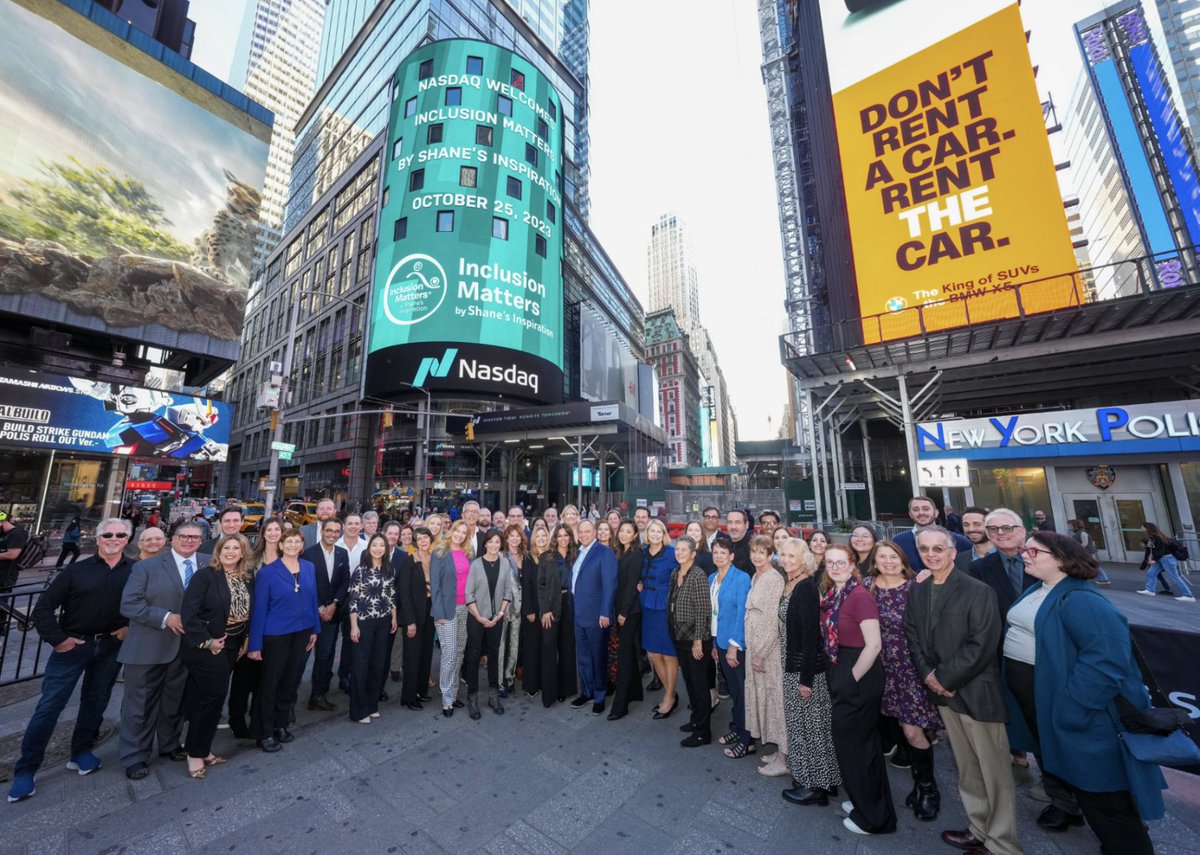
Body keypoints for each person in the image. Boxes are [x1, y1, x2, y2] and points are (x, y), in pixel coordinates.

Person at [1003, 532, 1164, 854]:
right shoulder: (1042, 588)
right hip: (1049, 708)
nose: (1025, 555)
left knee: (1104, 797)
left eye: (1034, 551)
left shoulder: (1082, 599)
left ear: (1061, 558)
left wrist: (1072, 710)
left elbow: (1105, 661)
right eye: (1025, 550)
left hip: (1083, 719)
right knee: (1087, 793)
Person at [903, 526, 1020, 855]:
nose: (931, 554)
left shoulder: (977, 590)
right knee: (967, 767)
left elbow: (981, 644)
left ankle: (1003, 844)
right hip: (941, 691)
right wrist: (929, 675)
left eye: (938, 548)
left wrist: (944, 677)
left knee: (993, 772)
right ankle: (978, 828)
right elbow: (913, 634)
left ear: (953, 552)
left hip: (974, 691)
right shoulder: (920, 589)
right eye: (925, 549)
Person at [7, 518, 133, 802]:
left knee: (97, 700)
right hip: (73, 647)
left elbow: (139, 604)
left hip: (110, 646)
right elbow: (42, 609)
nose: (114, 538)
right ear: (98, 539)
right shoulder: (75, 571)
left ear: (127, 539)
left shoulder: (134, 570)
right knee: (50, 706)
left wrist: (128, 626)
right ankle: (26, 770)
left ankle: (81, 752)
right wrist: (59, 640)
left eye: (120, 534)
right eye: (108, 534)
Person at [118, 521, 209, 780]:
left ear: (201, 541)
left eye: (195, 537)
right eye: (184, 537)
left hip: (184, 648)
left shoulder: (207, 562)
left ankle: (169, 743)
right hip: (149, 645)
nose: (189, 541)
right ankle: (134, 755)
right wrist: (166, 617)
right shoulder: (146, 567)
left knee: (174, 701)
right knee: (140, 705)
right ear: (173, 538)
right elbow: (130, 604)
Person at [820, 544, 895, 835]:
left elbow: (874, 645)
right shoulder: (837, 594)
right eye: (830, 563)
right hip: (843, 664)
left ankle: (874, 818)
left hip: (858, 671)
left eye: (841, 562)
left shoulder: (859, 596)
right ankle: (867, 801)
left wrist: (849, 679)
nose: (835, 567)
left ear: (853, 565)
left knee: (854, 746)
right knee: (861, 744)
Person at [866, 541, 943, 821]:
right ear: (874, 562)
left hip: (910, 669)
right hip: (879, 667)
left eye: (893, 557)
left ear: (902, 560)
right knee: (896, 728)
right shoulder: (867, 586)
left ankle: (928, 788)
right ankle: (917, 781)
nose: (888, 562)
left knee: (912, 731)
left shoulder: (917, 586)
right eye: (882, 557)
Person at [180, 533, 252, 779]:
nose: (231, 552)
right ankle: (194, 754)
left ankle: (201, 748)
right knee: (212, 697)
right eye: (226, 547)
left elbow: (246, 613)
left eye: (236, 548)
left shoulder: (245, 578)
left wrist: (246, 638)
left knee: (209, 698)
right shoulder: (205, 576)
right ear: (218, 551)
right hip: (207, 646)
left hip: (233, 645)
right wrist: (207, 641)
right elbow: (188, 614)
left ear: (243, 553)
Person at [247, 528, 320, 752]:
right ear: (281, 545)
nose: (292, 545)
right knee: (269, 684)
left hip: (302, 632)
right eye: (288, 542)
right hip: (275, 635)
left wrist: (314, 629)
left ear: (301, 545)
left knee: (289, 682)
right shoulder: (268, 573)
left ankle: (280, 724)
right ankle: (264, 731)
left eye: (297, 542)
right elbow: (259, 610)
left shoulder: (309, 567)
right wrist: (255, 644)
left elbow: (312, 599)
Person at [743, 535, 788, 777]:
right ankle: (779, 750)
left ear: (771, 555)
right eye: (754, 552)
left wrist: (760, 653)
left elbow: (773, 620)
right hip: (754, 645)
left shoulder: (773, 578)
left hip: (766, 650)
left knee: (775, 702)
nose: (757, 556)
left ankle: (784, 758)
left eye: (763, 552)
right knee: (766, 700)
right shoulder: (756, 576)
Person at [463, 529, 515, 718]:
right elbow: (468, 593)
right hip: (477, 617)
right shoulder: (476, 565)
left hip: (496, 618)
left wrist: (500, 613)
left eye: (497, 542)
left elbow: (508, 591)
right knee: (474, 656)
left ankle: (494, 695)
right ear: (485, 543)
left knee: (494, 655)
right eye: (491, 542)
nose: (494, 545)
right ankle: (472, 698)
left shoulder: (505, 563)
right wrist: (479, 617)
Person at [346, 534, 397, 724]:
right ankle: (359, 711)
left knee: (378, 665)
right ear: (369, 548)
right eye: (374, 545)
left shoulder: (389, 569)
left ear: (386, 548)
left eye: (381, 545)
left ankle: (371, 705)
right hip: (363, 622)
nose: (377, 548)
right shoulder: (361, 571)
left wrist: (394, 617)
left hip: (383, 622)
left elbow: (392, 596)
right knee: (361, 666)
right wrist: (353, 626)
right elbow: (352, 600)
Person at [568, 520, 616, 716]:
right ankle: (586, 692)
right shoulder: (579, 553)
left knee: (598, 657)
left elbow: (610, 585)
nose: (584, 534)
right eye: (581, 531)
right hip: (579, 615)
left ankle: (600, 695)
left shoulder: (605, 553)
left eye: (588, 531)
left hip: (597, 616)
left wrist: (605, 612)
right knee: (584, 656)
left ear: (595, 532)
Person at [301, 518, 349, 713]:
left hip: (332, 614)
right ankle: (287, 703)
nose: (332, 534)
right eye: (329, 530)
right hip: (309, 614)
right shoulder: (307, 553)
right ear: (322, 531)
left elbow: (344, 581)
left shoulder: (342, 553)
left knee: (325, 655)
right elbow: (304, 585)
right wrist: (319, 607)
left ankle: (318, 695)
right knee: (301, 659)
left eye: (336, 531)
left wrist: (334, 604)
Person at [710, 539, 753, 758]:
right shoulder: (712, 579)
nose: (718, 556)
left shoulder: (741, 578)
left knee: (741, 692)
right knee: (735, 693)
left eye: (723, 552)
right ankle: (737, 728)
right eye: (715, 552)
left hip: (735, 646)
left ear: (731, 556)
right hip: (720, 641)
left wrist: (734, 646)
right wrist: (715, 643)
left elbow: (741, 614)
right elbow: (713, 614)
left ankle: (747, 740)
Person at [669, 537, 713, 747]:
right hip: (679, 637)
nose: (679, 553)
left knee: (699, 685)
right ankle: (696, 720)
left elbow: (704, 611)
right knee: (688, 681)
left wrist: (698, 640)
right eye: (677, 549)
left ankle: (704, 732)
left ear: (693, 554)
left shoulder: (698, 575)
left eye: (683, 550)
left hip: (695, 639)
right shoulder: (675, 573)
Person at [429, 520, 474, 716]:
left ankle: (454, 693)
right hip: (446, 610)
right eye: (458, 531)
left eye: (464, 532)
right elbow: (435, 586)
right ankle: (446, 698)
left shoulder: (468, 553)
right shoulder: (439, 553)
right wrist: (438, 612)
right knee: (449, 654)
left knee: (460, 652)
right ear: (451, 531)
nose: (460, 535)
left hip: (466, 608)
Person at [607, 520, 644, 720]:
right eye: (621, 530)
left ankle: (620, 706)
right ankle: (636, 692)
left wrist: (623, 613)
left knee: (623, 656)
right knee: (628, 652)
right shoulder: (620, 553)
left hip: (628, 612)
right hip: (621, 608)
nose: (623, 534)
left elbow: (631, 586)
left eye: (628, 531)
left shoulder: (636, 555)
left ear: (635, 535)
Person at [640, 519, 678, 714]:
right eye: (652, 531)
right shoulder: (643, 552)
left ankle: (669, 696)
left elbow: (683, 575)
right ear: (647, 533)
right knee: (653, 653)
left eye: (659, 531)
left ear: (664, 534)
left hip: (665, 607)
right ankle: (670, 692)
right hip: (647, 605)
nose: (655, 534)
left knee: (669, 654)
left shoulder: (672, 554)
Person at [527, 526, 562, 705]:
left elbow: (553, 587)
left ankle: (549, 694)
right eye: (537, 535)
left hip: (550, 612)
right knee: (541, 649)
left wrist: (548, 610)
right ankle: (543, 688)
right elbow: (537, 587)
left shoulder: (550, 557)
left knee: (549, 650)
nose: (540, 538)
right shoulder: (533, 557)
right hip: (540, 611)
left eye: (544, 535)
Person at [892, 496, 972, 571]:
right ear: (910, 514)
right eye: (916, 509)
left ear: (936, 513)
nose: (921, 513)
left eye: (926, 509)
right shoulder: (898, 542)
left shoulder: (959, 541)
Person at [403, 527, 435, 708]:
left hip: (430, 611)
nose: (423, 541)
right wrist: (410, 621)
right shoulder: (409, 561)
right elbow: (404, 593)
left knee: (426, 653)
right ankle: (409, 697)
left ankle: (422, 691)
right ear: (415, 541)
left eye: (426, 537)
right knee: (412, 657)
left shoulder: (434, 558)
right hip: (414, 612)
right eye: (419, 538)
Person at [498, 524, 528, 697]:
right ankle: (500, 682)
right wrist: (502, 608)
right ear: (506, 538)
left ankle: (509, 678)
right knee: (501, 645)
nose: (515, 538)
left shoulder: (526, 556)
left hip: (521, 609)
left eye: (518, 535)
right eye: (511, 536)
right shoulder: (501, 557)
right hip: (505, 608)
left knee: (515, 644)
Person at [1137, 521, 1194, 601]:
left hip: (1167, 559)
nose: (1140, 528)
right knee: (1151, 572)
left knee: (1175, 577)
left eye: (1142, 526)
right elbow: (1149, 549)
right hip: (1161, 559)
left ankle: (1189, 595)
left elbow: (1160, 550)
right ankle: (1150, 590)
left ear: (1147, 528)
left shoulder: (1158, 538)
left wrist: (1154, 559)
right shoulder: (1152, 537)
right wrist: (1147, 560)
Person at [1067, 519, 1109, 585]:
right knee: (1081, 565)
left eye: (1070, 525)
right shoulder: (1076, 533)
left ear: (1075, 525)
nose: (1069, 527)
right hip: (1083, 552)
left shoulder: (1082, 532)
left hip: (1088, 552)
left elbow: (1085, 543)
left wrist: (1076, 548)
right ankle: (1079, 578)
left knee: (1093, 565)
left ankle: (1104, 579)